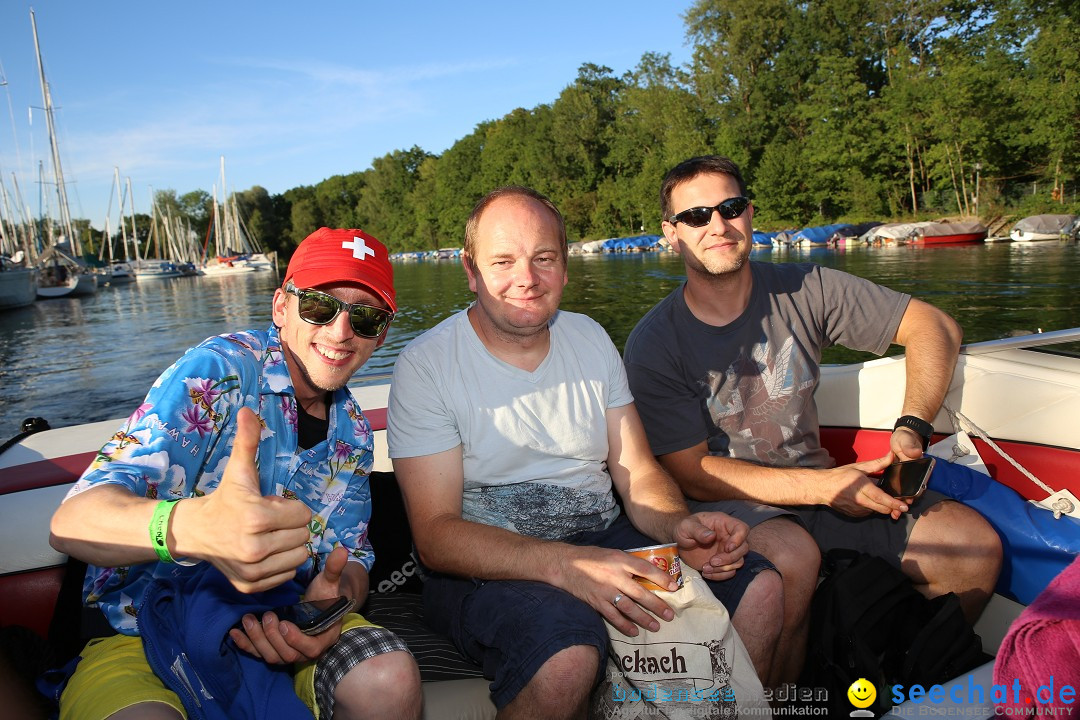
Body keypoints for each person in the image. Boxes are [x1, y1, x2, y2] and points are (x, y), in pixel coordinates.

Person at [387, 185, 785, 718]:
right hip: (480, 563)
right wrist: (569, 567)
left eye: (543, 258)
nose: (526, 279)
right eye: (502, 261)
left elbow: (637, 471)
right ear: (470, 270)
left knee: (758, 590)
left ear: (565, 267)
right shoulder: (427, 365)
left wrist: (677, 526)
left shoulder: (590, 338)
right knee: (568, 653)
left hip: (605, 533)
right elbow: (436, 535)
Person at [623, 156, 1002, 643]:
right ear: (671, 233)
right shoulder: (654, 343)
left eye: (730, 207)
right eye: (696, 216)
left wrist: (911, 427)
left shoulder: (808, 288)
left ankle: (898, 681)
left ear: (750, 213)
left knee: (973, 546)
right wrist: (824, 489)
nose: (717, 225)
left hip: (824, 487)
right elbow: (691, 471)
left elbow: (935, 327)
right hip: (730, 505)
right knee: (789, 557)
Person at [49, 227, 421, 720]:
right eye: (319, 306)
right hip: (134, 632)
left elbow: (351, 558)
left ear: (383, 333)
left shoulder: (352, 431)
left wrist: (331, 606)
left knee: (388, 678)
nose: (340, 331)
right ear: (281, 308)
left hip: (283, 620)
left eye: (367, 317)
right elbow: (72, 520)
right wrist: (195, 528)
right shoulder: (219, 373)